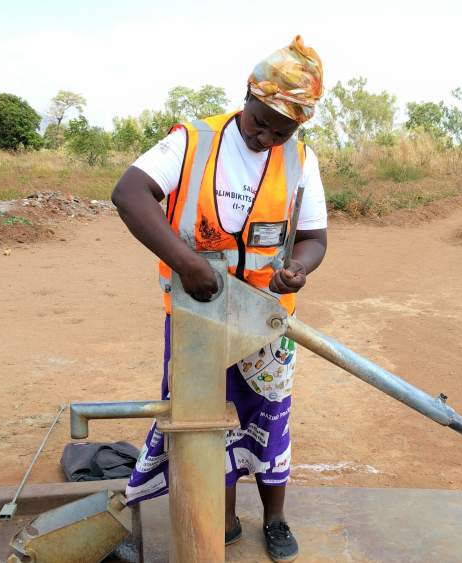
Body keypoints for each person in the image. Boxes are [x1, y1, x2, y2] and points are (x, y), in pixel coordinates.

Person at [110, 35, 326, 563]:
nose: (267, 137)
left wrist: (298, 268)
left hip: (268, 322)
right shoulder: (193, 141)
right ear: (247, 96)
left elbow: (314, 238)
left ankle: (274, 519)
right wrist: (187, 264)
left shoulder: (299, 159)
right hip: (197, 318)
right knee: (200, 421)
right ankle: (219, 517)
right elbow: (129, 193)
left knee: (269, 416)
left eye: (283, 130)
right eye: (260, 122)